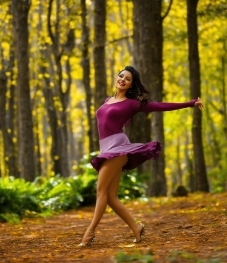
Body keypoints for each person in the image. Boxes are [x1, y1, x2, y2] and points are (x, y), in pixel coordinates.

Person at [78, 65, 204, 247]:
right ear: (117, 77)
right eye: (121, 76)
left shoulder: (132, 103)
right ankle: (136, 227)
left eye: (127, 79)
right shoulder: (107, 100)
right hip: (106, 148)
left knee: (101, 191)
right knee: (111, 197)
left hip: (118, 147)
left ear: (131, 85)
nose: (122, 79)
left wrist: (190, 103)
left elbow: (159, 106)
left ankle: (89, 233)